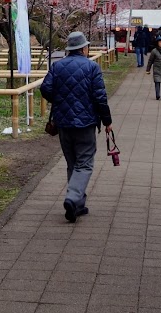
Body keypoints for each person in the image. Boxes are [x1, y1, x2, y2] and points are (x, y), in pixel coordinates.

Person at [41, 31, 112, 222]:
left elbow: (45, 88)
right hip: (86, 123)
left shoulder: (57, 66)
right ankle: (72, 198)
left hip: (63, 123)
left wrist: (59, 101)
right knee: (85, 163)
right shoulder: (92, 67)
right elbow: (100, 97)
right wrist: (107, 121)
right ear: (83, 48)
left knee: (73, 163)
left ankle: (78, 205)